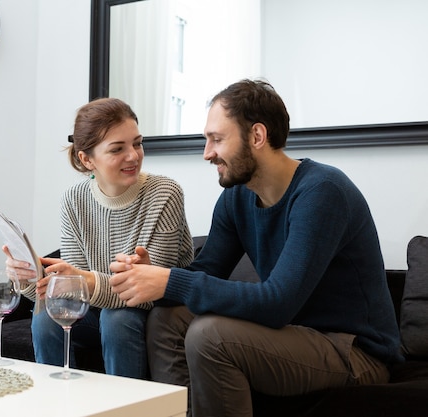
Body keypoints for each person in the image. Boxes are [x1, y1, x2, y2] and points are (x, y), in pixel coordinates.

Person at [108, 79, 403, 415]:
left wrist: (170, 281)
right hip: (294, 336)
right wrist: (149, 276)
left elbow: (278, 303)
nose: (207, 153)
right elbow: (206, 272)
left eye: (217, 139)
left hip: (354, 352)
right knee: (167, 318)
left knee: (210, 335)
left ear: (257, 136)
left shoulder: (322, 192)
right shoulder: (237, 197)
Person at [4, 97, 194, 380]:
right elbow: (72, 292)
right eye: (118, 149)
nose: (133, 156)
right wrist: (27, 279)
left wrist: (84, 280)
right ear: (86, 158)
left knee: (117, 319)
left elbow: (150, 293)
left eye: (137, 143)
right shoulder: (74, 200)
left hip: (155, 310)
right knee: (45, 318)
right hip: (98, 307)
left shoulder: (164, 193)